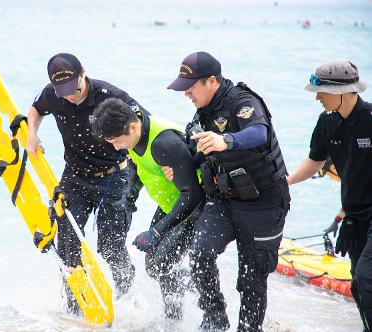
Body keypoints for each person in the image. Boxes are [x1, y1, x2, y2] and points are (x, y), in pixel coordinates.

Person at [167, 51, 290, 331]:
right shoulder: (204, 112)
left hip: (264, 203)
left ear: (211, 81)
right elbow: (198, 153)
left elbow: (260, 132)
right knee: (199, 255)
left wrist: (227, 140)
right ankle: (215, 318)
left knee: (251, 277)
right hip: (225, 201)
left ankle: (249, 328)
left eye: (190, 87)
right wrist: (180, 167)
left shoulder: (243, 102)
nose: (186, 93)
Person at [26, 53, 148, 312]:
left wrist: (157, 160)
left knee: (110, 248)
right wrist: (32, 133)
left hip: (114, 177)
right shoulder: (53, 93)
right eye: (63, 91)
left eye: (74, 87)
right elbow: (35, 109)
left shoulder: (109, 95)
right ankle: (75, 310)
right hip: (74, 177)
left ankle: (128, 302)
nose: (70, 95)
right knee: (69, 246)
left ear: (84, 73)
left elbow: (141, 121)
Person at [91, 97, 204, 321]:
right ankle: (192, 289)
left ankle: (177, 319)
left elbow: (194, 194)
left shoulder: (164, 143)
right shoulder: (134, 136)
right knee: (154, 267)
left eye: (116, 141)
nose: (115, 147)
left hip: (196, 207)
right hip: (170, 204)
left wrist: (156, 232)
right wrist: (131, 193)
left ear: (133, 126)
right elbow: (139, 164)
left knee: (162, 264)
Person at [286, 59, 372, 331]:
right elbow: (314, 161)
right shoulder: (326, 123)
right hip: (355, 217)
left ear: (344, 91)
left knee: (367, 278)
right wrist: (284, 183)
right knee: (358, 286)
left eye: (321, 92)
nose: (318, 98)